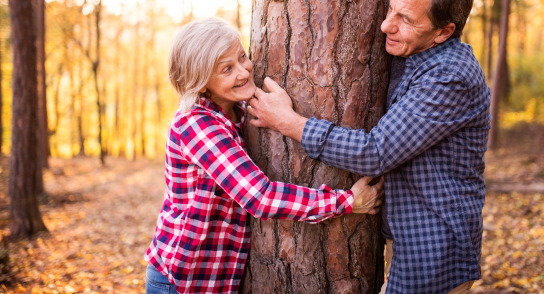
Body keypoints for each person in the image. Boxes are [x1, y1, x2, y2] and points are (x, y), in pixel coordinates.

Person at [247, 0, 491, 294]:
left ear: (443, 32)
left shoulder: (449, 76)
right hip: (409, 238)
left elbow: (377, 151)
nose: (386, 25)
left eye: (405, 19)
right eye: (391, 9)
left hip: (435, 245)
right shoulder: (413, 55)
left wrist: (288, 122)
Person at [144, 18, 384, 294]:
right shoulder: (197, 125)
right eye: (227, 69)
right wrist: (347, 201)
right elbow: (261, 198)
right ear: (201, 82)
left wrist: (283, 117)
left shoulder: (238, 112)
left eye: (242, 57)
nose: (244, 71)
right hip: (183, 280)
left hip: (216, 279)